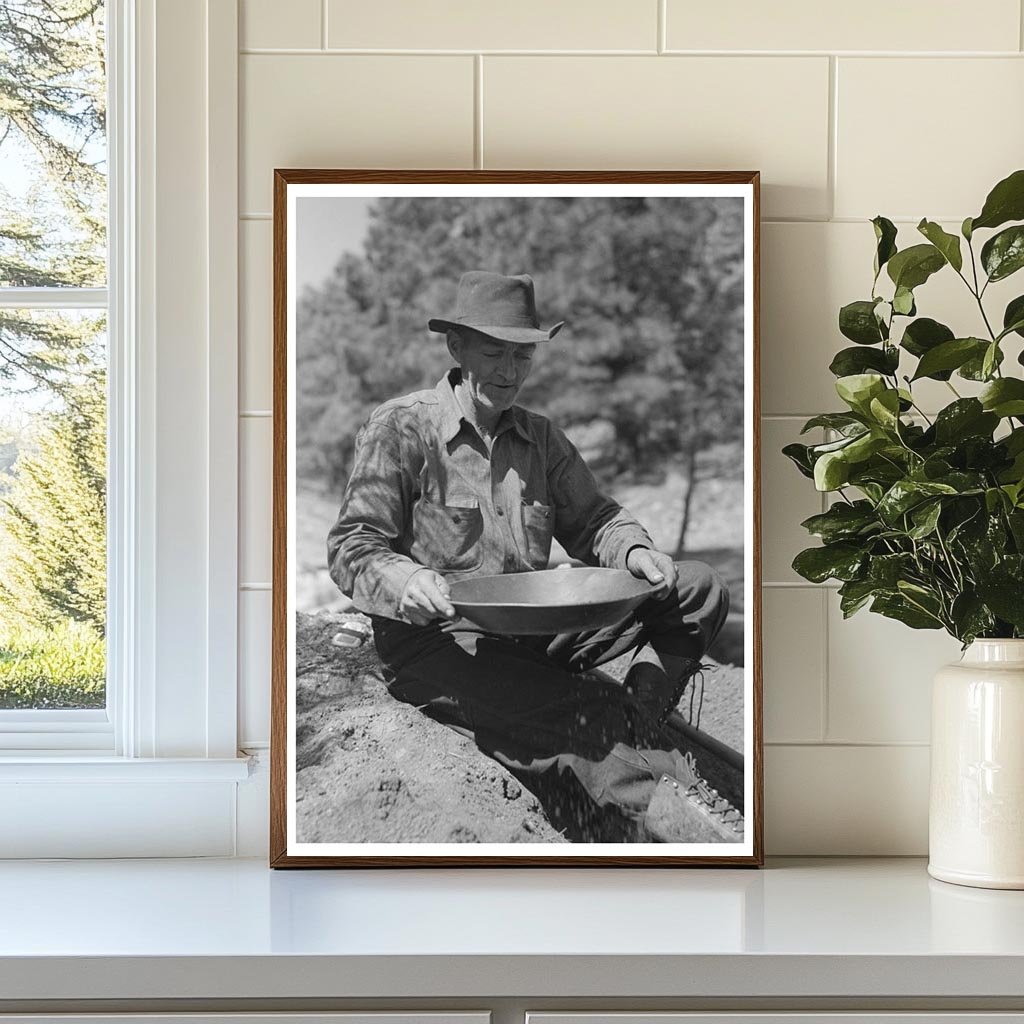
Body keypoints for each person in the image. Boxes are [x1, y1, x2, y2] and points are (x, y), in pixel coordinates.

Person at [327, 270, 740, 843]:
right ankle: (664, 829)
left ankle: (641, 721)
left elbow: (597, 520)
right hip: (443, 641)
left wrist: (637, 550)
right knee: (588, 725)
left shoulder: (540, 438)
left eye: (522, 356)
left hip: (531, 631)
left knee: (696, 587)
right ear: (456, 347)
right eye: (494, 353)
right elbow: (352, 544)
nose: (509, 371)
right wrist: (407, 578)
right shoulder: (402, 427)